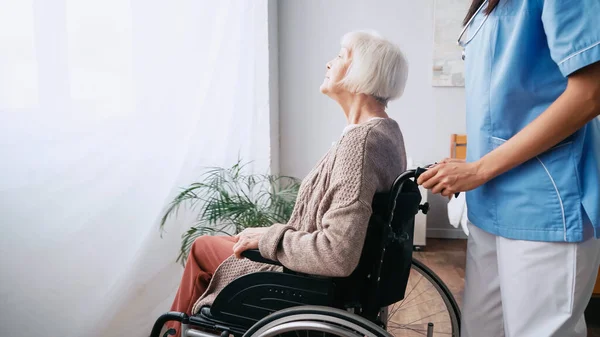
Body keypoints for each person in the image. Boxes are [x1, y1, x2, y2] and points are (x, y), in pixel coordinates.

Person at [165, 30, 409, 336]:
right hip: (330, 273)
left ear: (363, 72)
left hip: (310, 282)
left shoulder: (360, 143)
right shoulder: (386, 132)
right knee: (231, 242)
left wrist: (270, 239)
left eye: (340, 56)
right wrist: (268, 234)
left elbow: (337, 254)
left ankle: (175, 331)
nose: (329, 63)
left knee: (203, 248)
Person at [417, 1, 600, 336]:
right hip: (489, 206)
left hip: (545, 206)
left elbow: (590, 93)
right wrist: (473, 165)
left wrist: (480, 169)